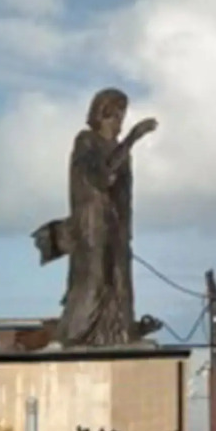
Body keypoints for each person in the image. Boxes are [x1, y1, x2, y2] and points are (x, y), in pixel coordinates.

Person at [34, 88, 159, 346]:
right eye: (114, 115)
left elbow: (123, 195)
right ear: (101, 115)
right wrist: (132, 138)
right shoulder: (86, 141)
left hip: (116, 226)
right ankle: (75, 333)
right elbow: (102, 177)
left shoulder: (119, 150)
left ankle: (121, 332)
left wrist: (125, 230)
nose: (119, 122)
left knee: (120, 279)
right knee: (95, 278)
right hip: (93, 224)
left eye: (121, 116)